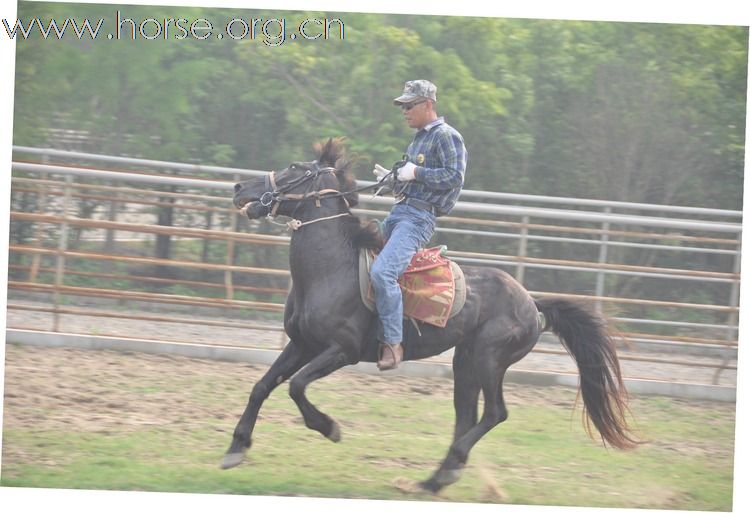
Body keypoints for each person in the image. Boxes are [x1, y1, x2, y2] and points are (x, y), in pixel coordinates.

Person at [370, 79, 468, 371]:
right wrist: (394, 179)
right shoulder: (418, 139)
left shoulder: (447, 136)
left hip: (417, 220)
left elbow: (455, 176)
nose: (404, 111)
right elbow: (413, 180)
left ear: (428, 105)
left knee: (383, 272)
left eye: (409, 105)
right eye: (402, 106)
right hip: (400, 213)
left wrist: (416, 172)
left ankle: (393, 343)